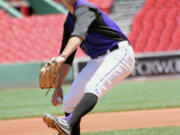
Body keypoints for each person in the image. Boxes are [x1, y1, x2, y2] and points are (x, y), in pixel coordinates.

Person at [43, 0, 135, 135]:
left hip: (118, 53)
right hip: (97, 59)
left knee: (93, 87)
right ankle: (68, 126)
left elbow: (77, 37)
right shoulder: (69, 21)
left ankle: (67, 123)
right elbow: (68, 60)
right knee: (70, 102)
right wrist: (58, 87)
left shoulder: (84, 8)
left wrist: (62, 56)